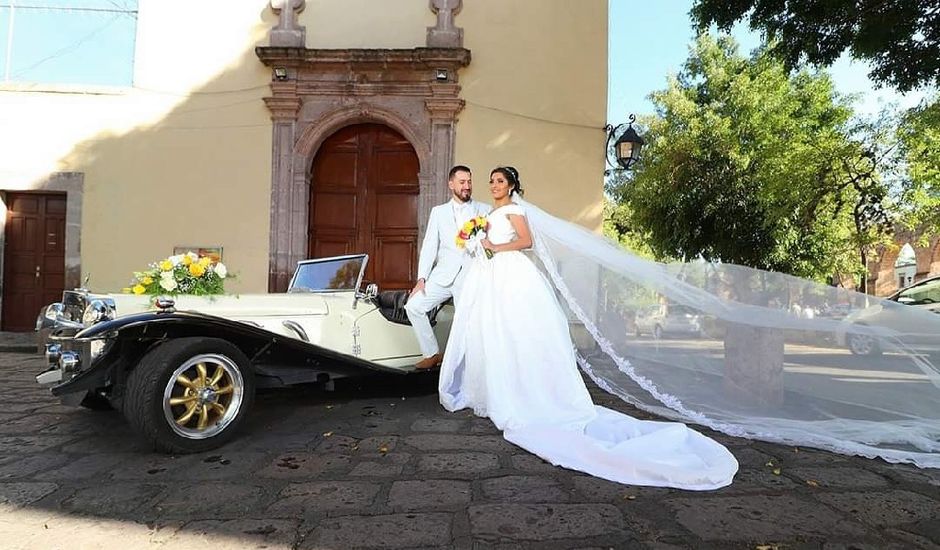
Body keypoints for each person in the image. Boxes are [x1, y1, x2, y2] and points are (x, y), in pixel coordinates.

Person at [437, 166, 739, 490]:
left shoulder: (514, 210)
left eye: (500, 181)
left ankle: (526, 392)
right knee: (494, 333)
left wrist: (494, 247)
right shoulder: (488, 214)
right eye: (492, 181)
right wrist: (479, 241)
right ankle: (494, 388)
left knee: (518, 333)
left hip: (513, 275)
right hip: (492, 277)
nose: (494, 186)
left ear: (511, 186)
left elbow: (525, 241)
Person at [405, 165, 490, 370]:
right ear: (451, 184)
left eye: (469, 182)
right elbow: (429, 246)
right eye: (462, 182)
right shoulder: (438, 212)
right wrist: (422, 278)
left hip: (471, 276)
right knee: (414, 306)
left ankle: (470, 367)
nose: (467, 186)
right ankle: (432, 353)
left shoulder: (485, 210)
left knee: (468, 322)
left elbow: (491, 245)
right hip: (442, 276)